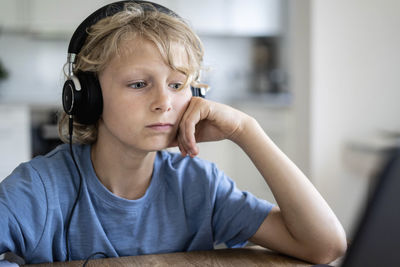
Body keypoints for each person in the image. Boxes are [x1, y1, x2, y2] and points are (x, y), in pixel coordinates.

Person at [0, 1, 347, 264]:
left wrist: (246, 130)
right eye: (139, 84)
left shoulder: (199, 187)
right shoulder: (39, 190)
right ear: (87, 95)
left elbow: (325, 246)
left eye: (178, 84)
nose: (164, 102)